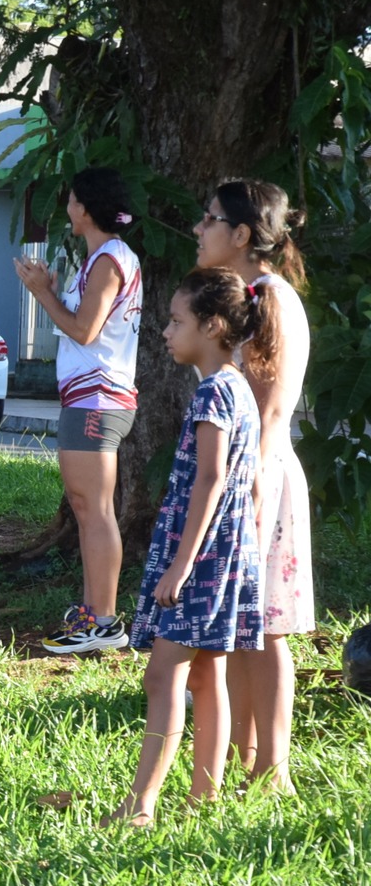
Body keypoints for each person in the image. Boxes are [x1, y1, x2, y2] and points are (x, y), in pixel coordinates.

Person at [107, 268, 273, 828]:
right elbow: (244, 484)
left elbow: (211, 479)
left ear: (213, 325)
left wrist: (180, 566)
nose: (165, 332)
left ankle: (140, 806)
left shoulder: (212, 392)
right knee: (207, 676)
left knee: (163, 678)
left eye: (176, 322)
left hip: (201, 558)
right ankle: (204, 798)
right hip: (229, 552)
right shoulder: (240, 387)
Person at [194, 179, 314, 796]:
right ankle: (247, 755)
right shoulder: (254, 293)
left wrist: (252, 488)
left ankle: (275, 768)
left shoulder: (269, 297)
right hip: (251, 474)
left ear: (241, 235)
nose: (198, 229)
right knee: (242, 623)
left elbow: (269, 410)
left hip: (259, 474)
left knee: (264, 627)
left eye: (209, 219)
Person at [14, 168, 143, 654]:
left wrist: (43, 293)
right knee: (89, 508)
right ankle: (94, 614)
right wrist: (50, 288)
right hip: (91, 397)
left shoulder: (109, 260)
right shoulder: (103, 259)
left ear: (84, 209)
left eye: (69, 200)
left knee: (93, 510)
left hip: (97, 399)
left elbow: (85, 330)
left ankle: (104, 621)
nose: (65, 207)